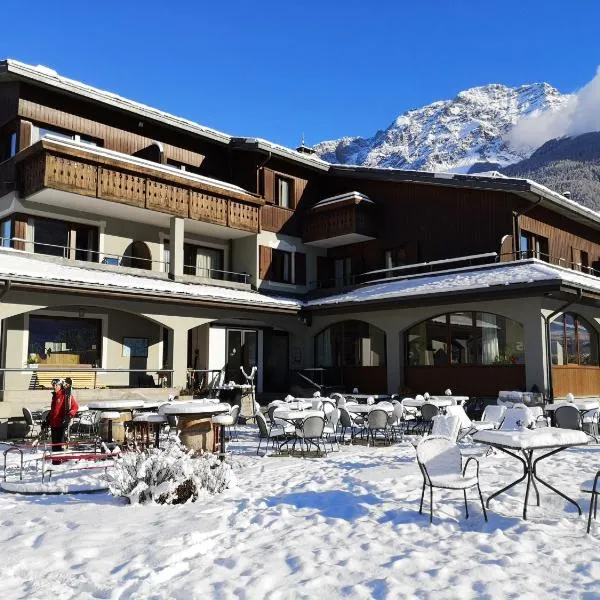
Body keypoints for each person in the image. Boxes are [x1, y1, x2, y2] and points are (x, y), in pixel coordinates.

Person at [45, 378, 79, 464]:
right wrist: (47, 420)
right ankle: (55, 462)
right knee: (54, 445)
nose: (55, 387)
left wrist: (69, 415)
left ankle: (60, 463)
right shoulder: (55, 396)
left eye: (56, 385)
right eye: (53, 385)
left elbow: (75, 407)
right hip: (54, 424)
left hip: (61, 423)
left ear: (60, 386)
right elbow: (53, 410)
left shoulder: (66, 395)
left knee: (60, 445)